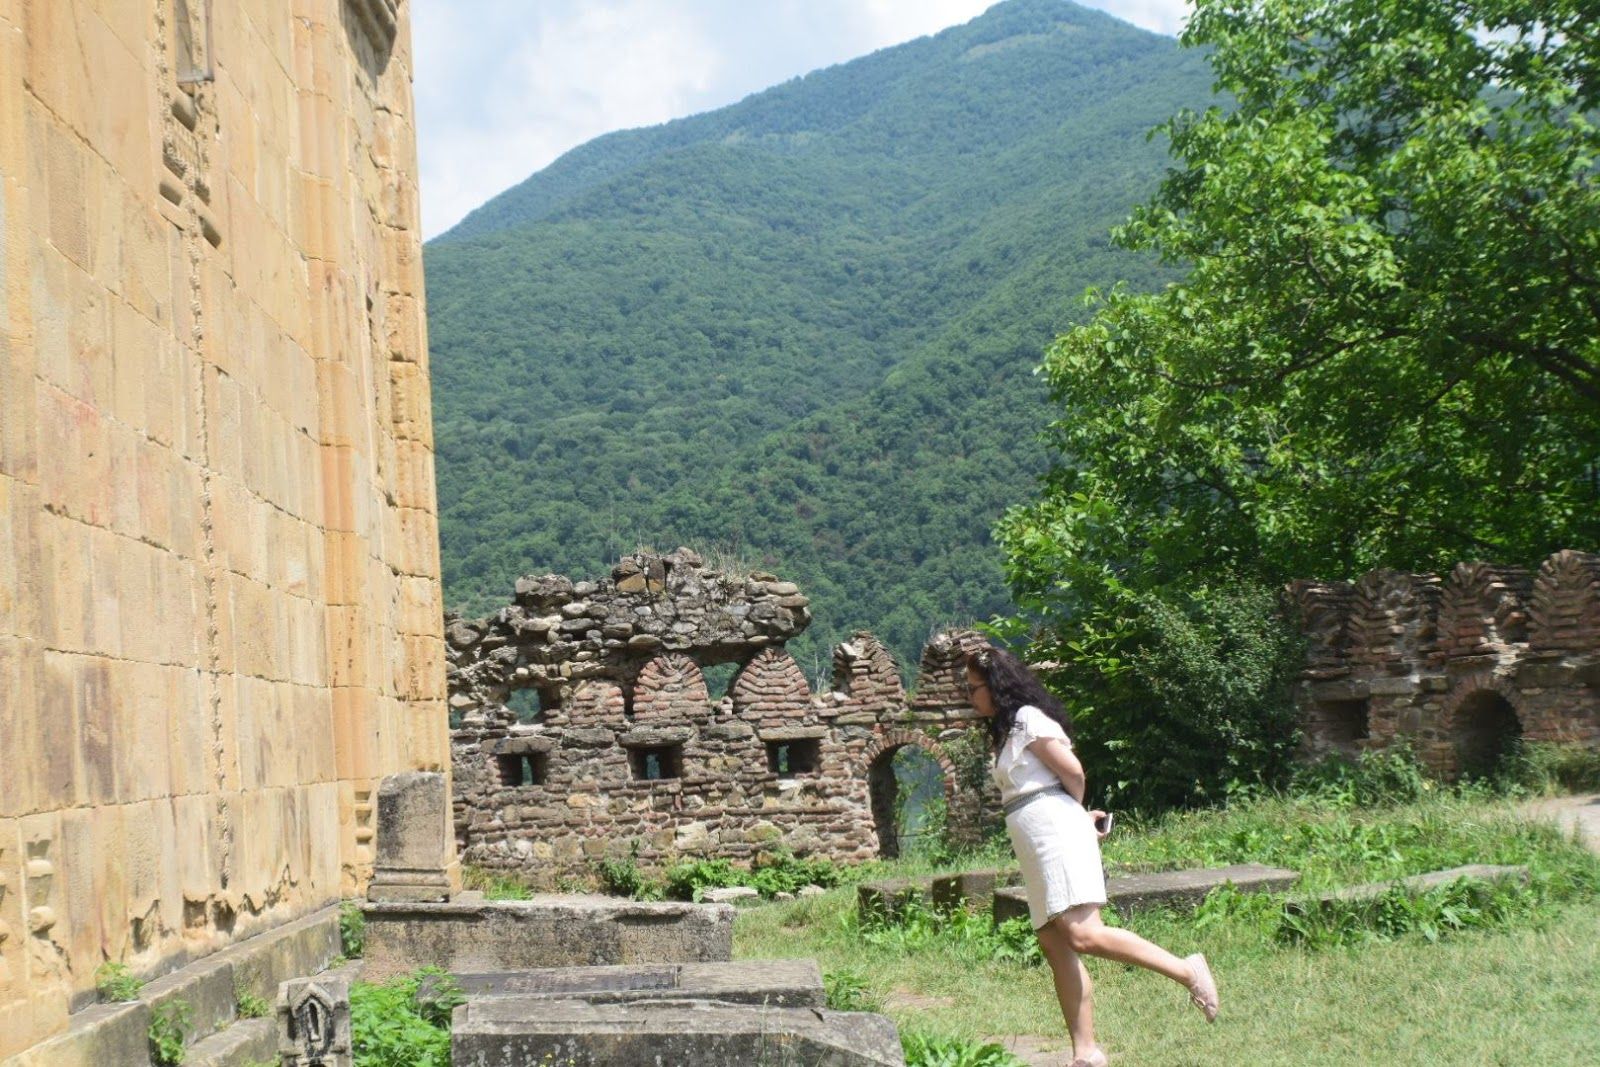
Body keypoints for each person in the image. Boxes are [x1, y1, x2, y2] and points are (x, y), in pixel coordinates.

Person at [966, 643, 1218, 1067]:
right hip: (1036, 841)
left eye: (974, 687)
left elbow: (1074, 772)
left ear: (995, 686)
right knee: (1054, 942)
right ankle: (1086, 1053)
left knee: (1084, 934)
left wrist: (1077, 818)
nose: (970, 696)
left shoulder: (1028, 719)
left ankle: (1187, 970)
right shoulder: (1008, 729)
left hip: (1055, 832)